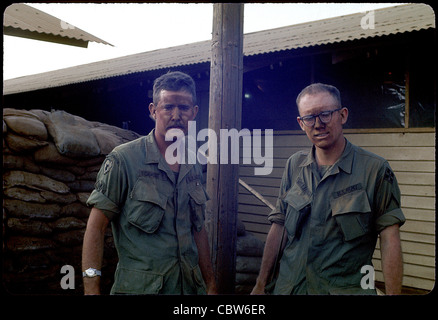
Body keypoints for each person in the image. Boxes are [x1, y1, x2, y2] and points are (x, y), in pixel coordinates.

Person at [251, 83, 405, 295]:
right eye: (309, 118)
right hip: (291, 289)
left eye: (325, 114)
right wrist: (261, 284)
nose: (318, 124)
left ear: (342, 115)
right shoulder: (294, 166)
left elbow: (389, 238)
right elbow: (279, 227)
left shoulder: (374, 170)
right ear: (300, 123)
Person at [82, 71, 217, 295]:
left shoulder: (193, 163)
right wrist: (91, 288)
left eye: (183, 108)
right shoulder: (125, 159)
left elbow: (198, 229)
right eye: (168, 107)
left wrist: (210, 282)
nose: (176, 115)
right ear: (153, 110)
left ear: (194, 113)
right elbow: (96, 227)